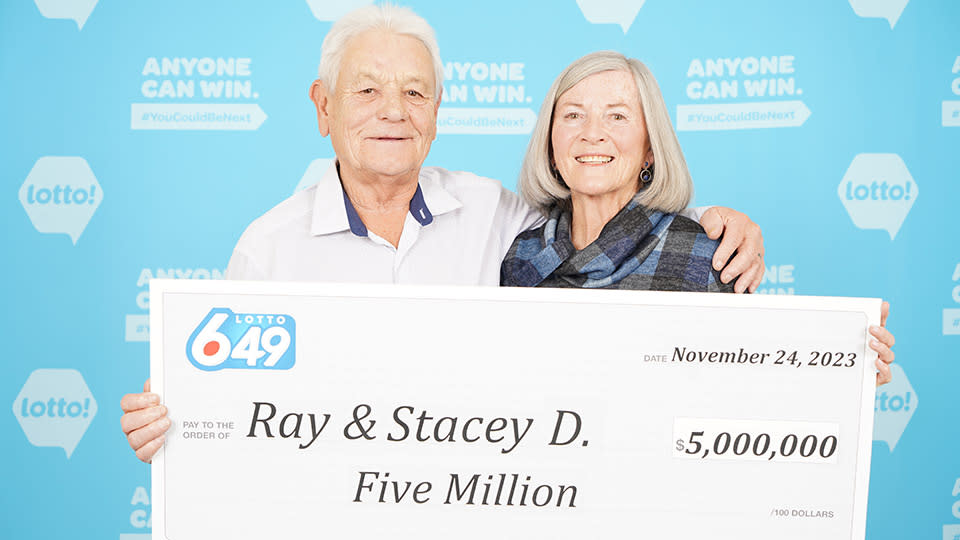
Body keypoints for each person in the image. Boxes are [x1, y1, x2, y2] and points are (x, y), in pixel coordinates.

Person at [120, 5, 769, 463]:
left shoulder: (503, 220)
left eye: (414, 92)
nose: (393, 111)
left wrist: (718, 229)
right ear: (323, 107)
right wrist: (174, 426)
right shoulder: (267, 249)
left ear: (437, 111)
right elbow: (224, 408)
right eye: (367, 89)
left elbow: (611, 240)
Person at [499, 50, 895, 374]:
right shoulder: (518, 258)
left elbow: (754, 389)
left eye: (617, 116)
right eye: (572, 115)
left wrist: (850, 375)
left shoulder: (707, 259)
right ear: (551, 142)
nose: (592, 132)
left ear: (650, 149)